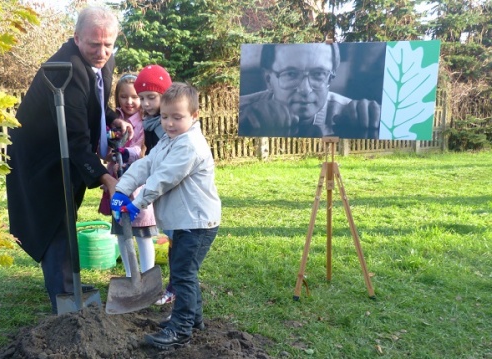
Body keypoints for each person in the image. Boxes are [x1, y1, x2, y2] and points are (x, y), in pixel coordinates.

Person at [5, 6, 132, 314]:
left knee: (67, 211)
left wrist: (111, 118)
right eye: (94, 44)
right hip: (40, 156)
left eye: (108, 44)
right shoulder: (64, 69)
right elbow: (74, 139)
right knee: (55, 219)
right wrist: (104, 177)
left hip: (65, 146)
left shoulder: (103, 60)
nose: (102, 52)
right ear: (76, 38)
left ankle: (66, 282)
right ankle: (63, 293)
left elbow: (92, 102)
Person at [111, 82, 221, 349]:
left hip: (198, 222)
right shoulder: (170, 140)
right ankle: (193, 319)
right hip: (185, 221)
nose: (169, 123)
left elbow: (163, 178)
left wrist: (137, 203)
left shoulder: (190, 145)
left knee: (183, 275)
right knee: (185, 272)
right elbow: (147, 164)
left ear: (194, 116)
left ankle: (180, 329)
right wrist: (122, 190)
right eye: (164, 117)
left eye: (177, 117)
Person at [239, 42, 381, 139]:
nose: (305, 90)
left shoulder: (353, 115)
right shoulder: (239, 112)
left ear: (330, 79)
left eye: (318, 74)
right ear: (268, 79)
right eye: (291, 74)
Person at [100, 73, 157, 277]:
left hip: (139, 185)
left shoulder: (144, 122)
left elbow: (142, 152)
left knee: (142, 230)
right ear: (117, 98)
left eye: (135, 97)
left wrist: (125, 152)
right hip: (117, 183)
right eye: (124, 97)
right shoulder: (112, 120)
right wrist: (109, 154)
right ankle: (130, 276)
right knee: (122, 232)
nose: (130, 102)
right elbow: (103, 151)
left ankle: (147, 274)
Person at [133, 64, 177, 305]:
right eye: (142, 98)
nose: (146, 103)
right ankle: (174, 286)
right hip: (161, 188)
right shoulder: (150, 122)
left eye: (152, 97)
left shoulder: (167, 125)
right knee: (171, 237)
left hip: (174, 190)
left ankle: (175, 288)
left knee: (176, 241)